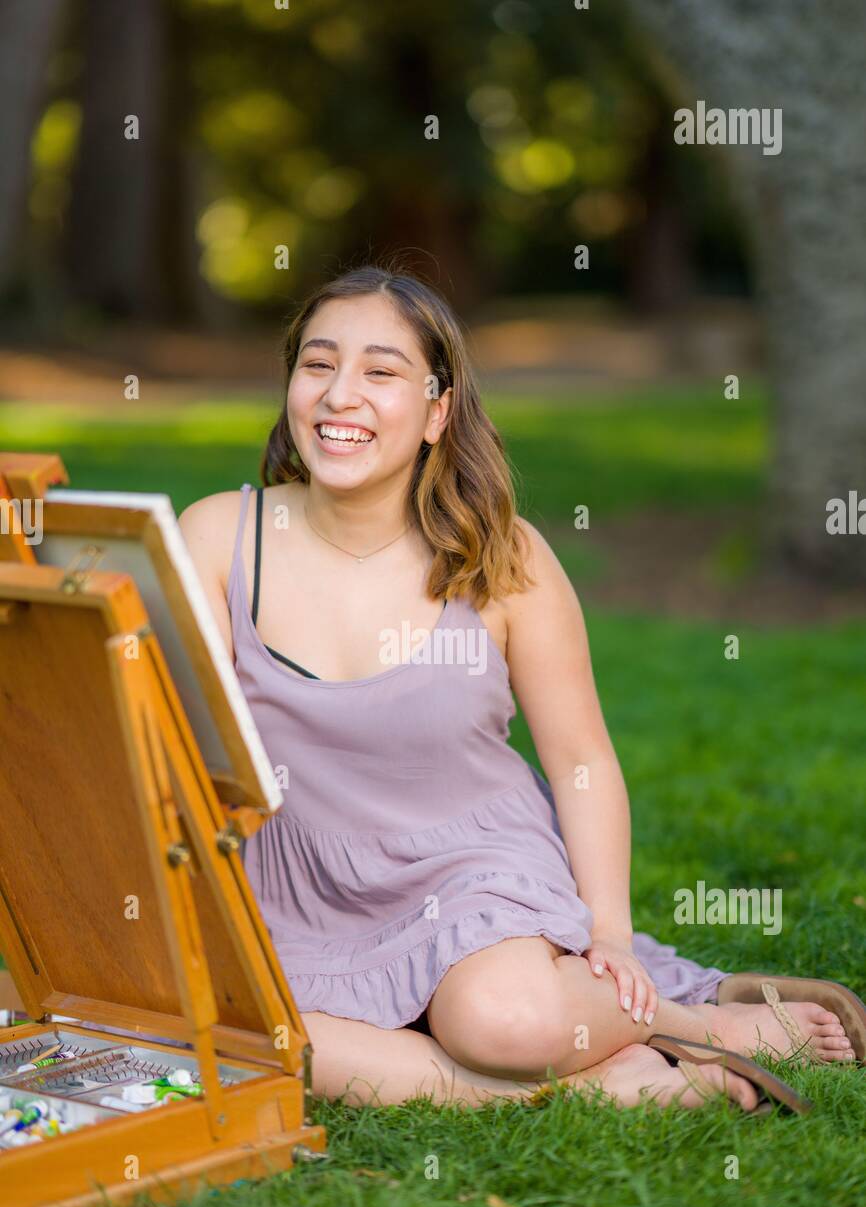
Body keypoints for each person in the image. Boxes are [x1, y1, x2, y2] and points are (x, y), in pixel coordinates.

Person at [179, 260, 854, 1115]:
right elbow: (171, 741)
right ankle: (610, 1081)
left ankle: (688, 1021)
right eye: (318, 364)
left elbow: (579, 759)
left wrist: (608, 934)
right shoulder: (217, 537)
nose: (339, 394)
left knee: (499, 1020)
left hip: (470, 870)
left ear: (436, 411)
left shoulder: (504, 558)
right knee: (255, 1035)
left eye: (380, 372)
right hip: (295, 885)